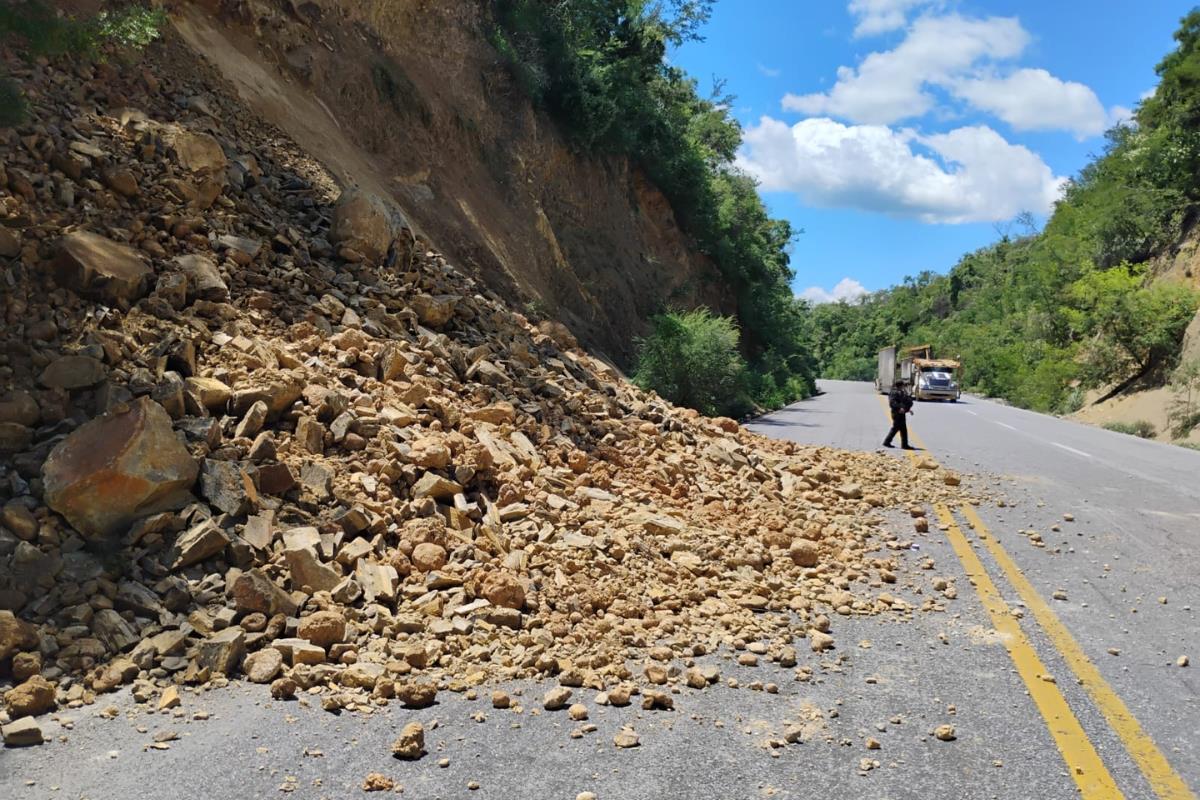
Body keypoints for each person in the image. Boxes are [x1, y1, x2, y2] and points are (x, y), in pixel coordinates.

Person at [883, 379, 914, 449]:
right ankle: (887, 442)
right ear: (901, 385)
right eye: (903, 385)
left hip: (901, 413)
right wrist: (900, 408)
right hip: (896, 413)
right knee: (896, 428)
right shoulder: (894, 392)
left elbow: (905, 402)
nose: (904, 387)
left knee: (903, 429)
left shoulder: (901, 392)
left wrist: (908, 409)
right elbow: (892, 403)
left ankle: (904, 444)